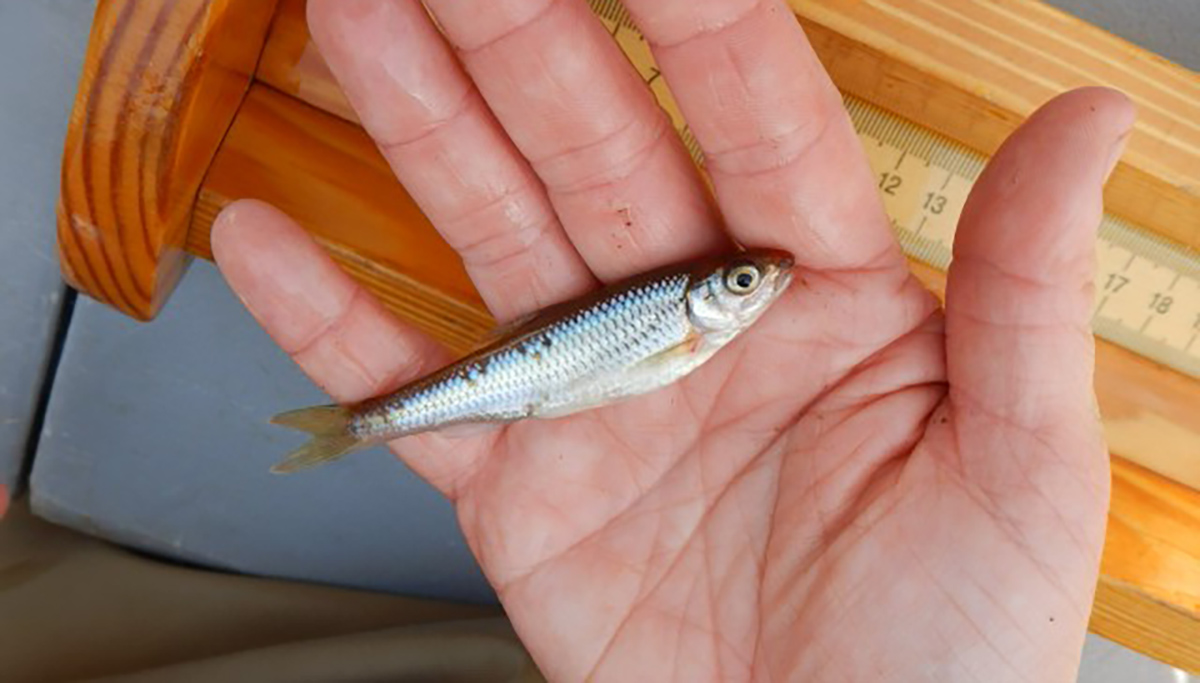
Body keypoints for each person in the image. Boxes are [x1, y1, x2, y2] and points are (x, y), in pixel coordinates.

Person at [4, 0, 1134, 680]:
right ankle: (353, 426)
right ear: (714, 296)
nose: (752, 288)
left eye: (739, 282)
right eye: (741, 282)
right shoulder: (690, 328)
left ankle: (344, 431)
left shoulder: (697, 332)